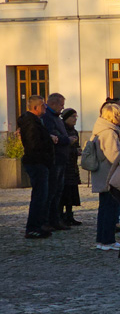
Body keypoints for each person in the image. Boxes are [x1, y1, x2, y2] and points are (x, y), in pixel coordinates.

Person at [90, 103, 120, 250]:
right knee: (110, 209)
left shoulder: (102, 129)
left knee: (105, 208)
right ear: (114, 116)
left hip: (104, 174)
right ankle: (107, 240)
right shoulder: (108, 132)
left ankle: (102, 239)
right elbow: (113, 156)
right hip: (109, 175)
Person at [18, 95, 57, 239]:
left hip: (40, 162)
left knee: (42, 195)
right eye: (43, 105)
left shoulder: (35, 121)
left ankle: (38, 225)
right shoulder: (31, 122)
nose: (45, 108)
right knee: (39, 196)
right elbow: (33, 144)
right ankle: (33, 227)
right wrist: (48, 141)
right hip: (37, 162)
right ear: (35, 107)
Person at [41, 93, 74, 231]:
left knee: (58, 191)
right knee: (52, 191)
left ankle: (55, 220)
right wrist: (68, 140)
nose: (63, 108)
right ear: (53, 104)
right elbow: (53, 137)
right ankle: (48, 220)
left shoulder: (55, 117)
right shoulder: (47, 117)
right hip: (54, 159)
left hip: (61, 158)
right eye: (61, 105)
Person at [60, 108, 83, 226]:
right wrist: (71, 146)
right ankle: (61, 216)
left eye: (76, 117)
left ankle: (69, 215)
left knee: (72, 191)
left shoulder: (74, 131)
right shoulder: (62, 130)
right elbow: (61, 146)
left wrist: (77, 150)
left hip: (72, 165)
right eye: (73, 117)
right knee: (64, 191)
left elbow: (75, 146)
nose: (75, 119)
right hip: (64, 165)